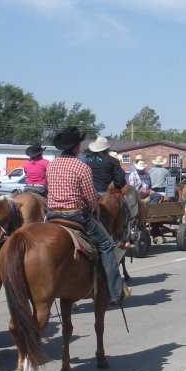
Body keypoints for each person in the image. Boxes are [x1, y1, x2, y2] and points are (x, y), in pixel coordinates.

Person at [45, 126, 129, 305]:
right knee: (106, 245)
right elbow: (91, 199)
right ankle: (115, 292)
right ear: (76, 146)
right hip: (75, 215)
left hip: (51, 214)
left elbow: (48, 189)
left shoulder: (51, 165)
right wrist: (95, 209)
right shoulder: (81, 167)